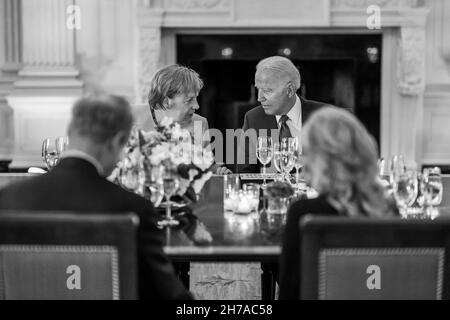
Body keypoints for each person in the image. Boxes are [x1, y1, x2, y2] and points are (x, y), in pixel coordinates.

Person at [0, 94, 191, 300]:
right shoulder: (133, 209)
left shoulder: (8, 200)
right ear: (118, 141)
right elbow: (169, 296)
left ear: (71, 132)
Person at [278, 106, 398, 299]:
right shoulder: (388, 207)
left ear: (319, 160)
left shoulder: (304, 213)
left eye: (306, 152)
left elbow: (290, 292)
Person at [238, 56, 327, 173]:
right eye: (258, 89)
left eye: (267, 91)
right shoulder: (253, 118)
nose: (260, 98)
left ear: (290, 90)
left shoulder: (325, 116)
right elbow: (244, 173)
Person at [142, 64, 231, 175]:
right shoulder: (133, 119)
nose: (197, 106)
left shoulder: (199, 123)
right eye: (188, 100)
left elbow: (206, 165)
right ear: (166, 102)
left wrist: (218, 171)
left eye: (196, 98)